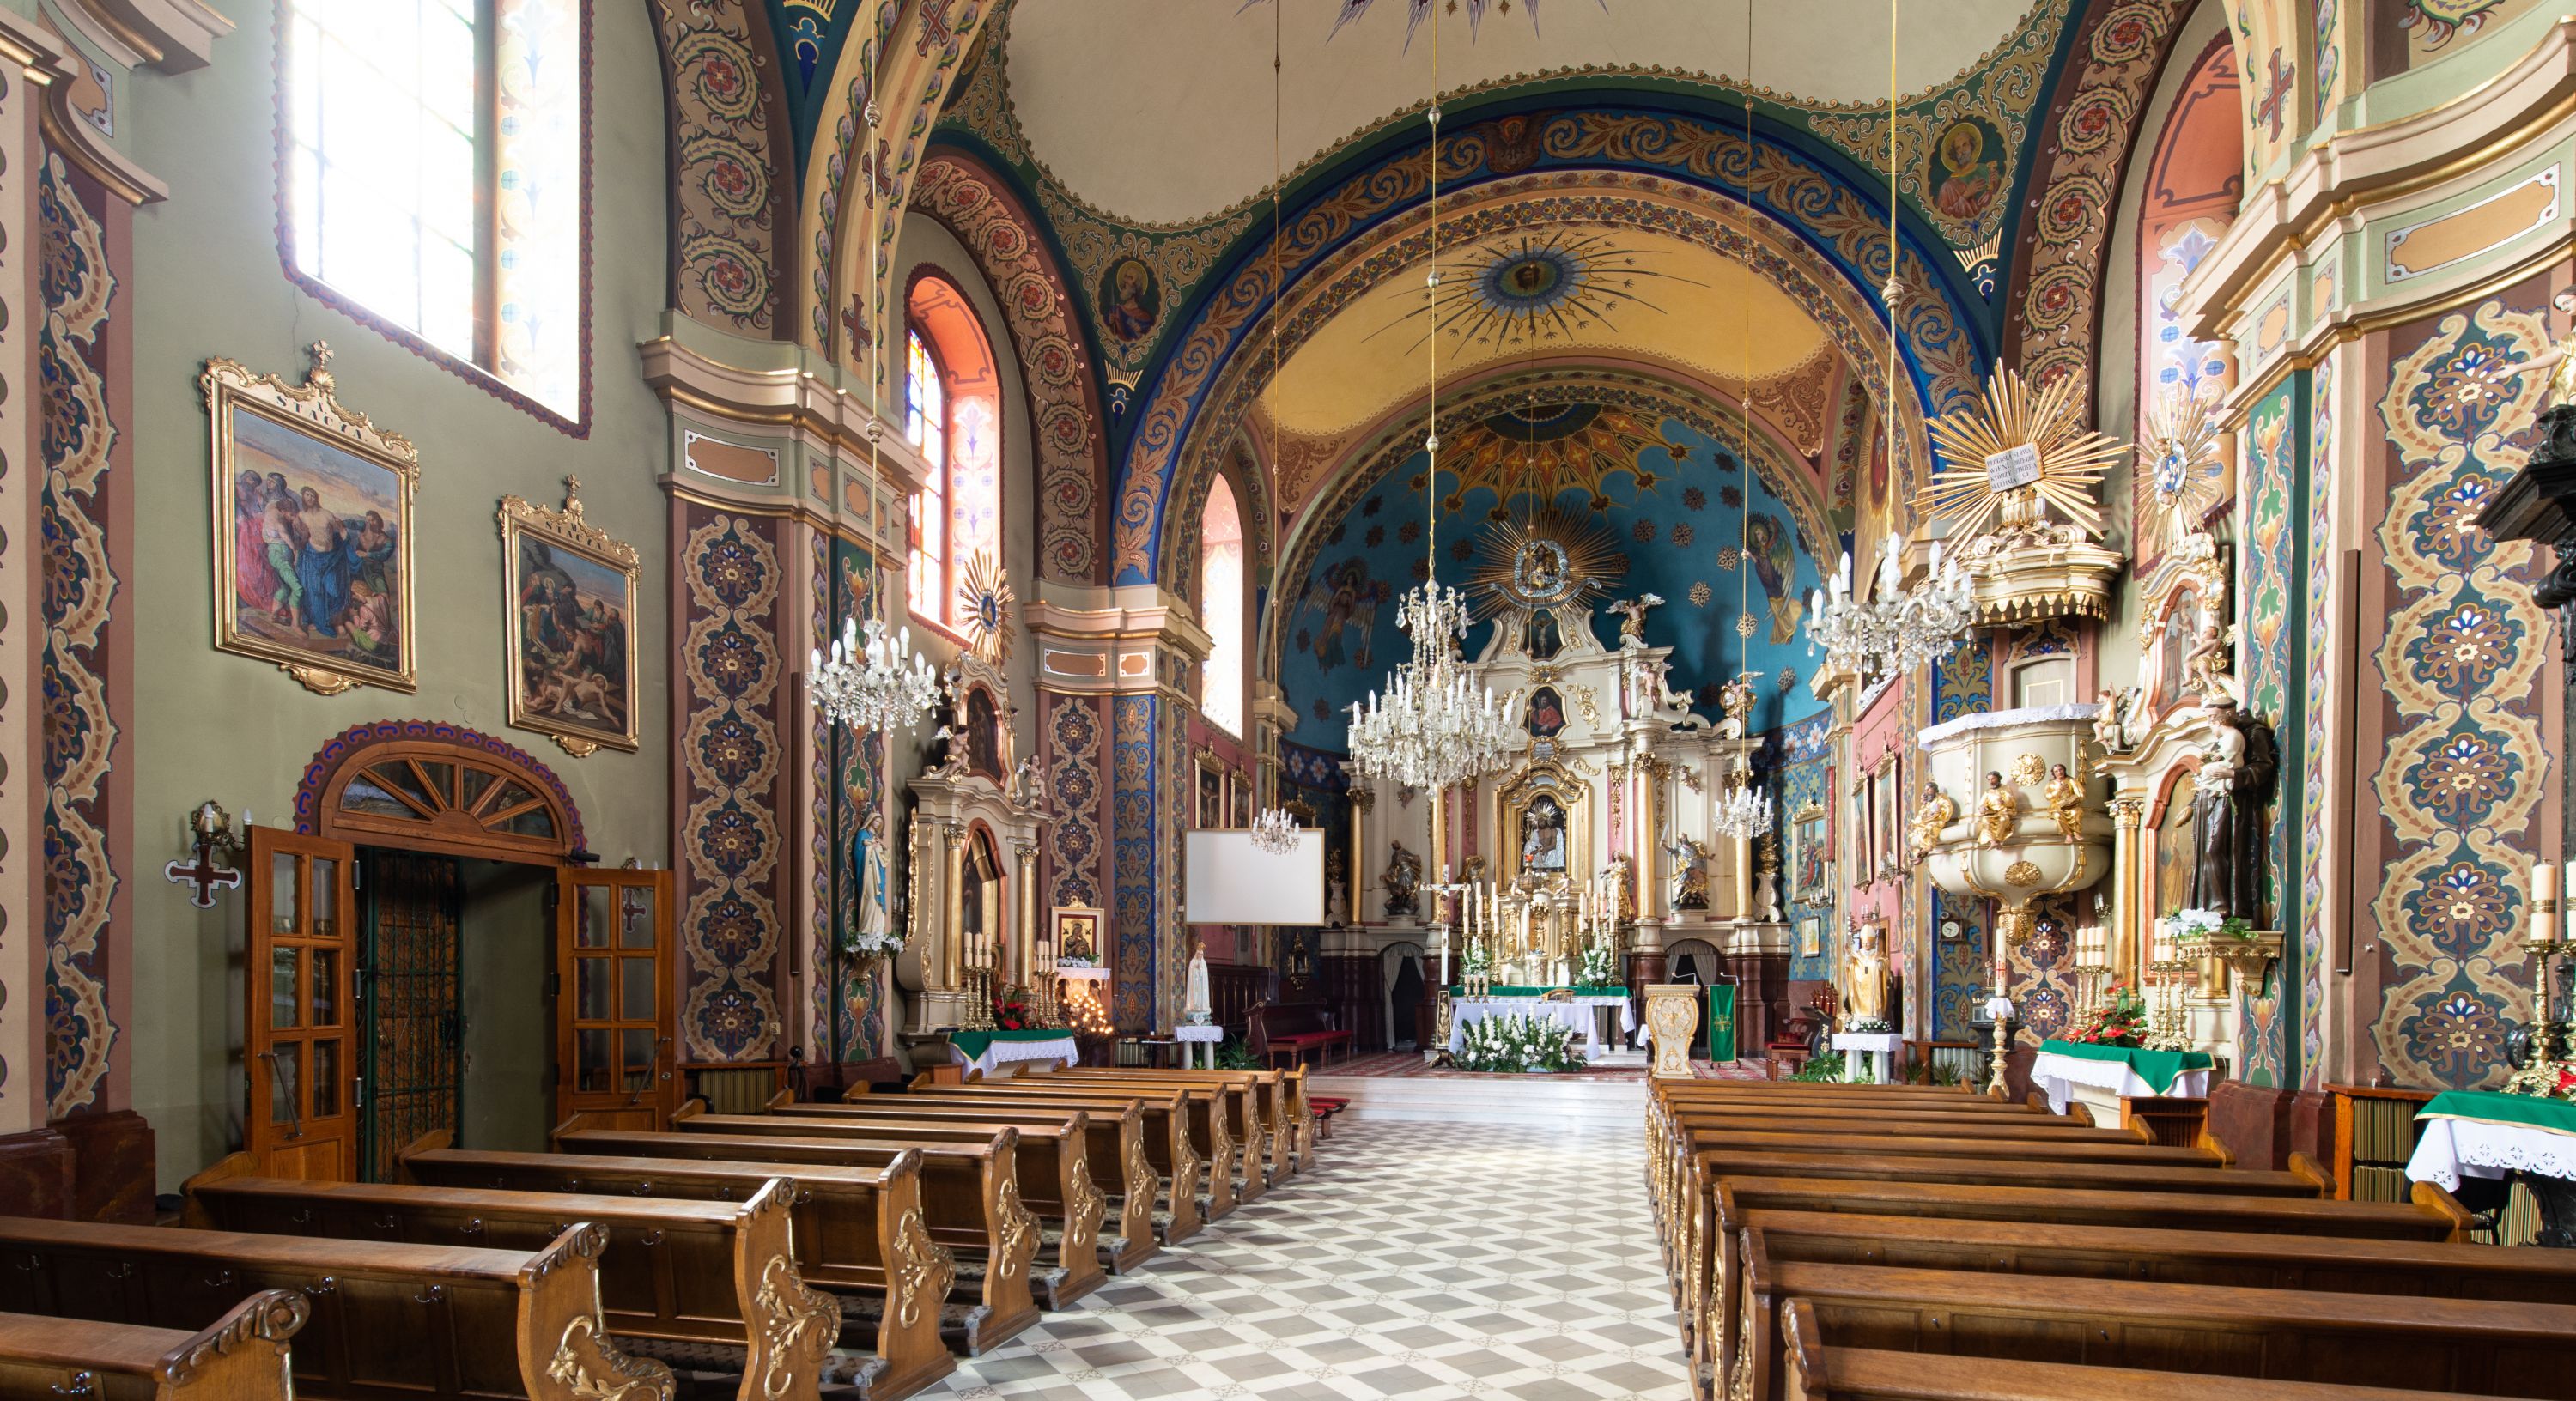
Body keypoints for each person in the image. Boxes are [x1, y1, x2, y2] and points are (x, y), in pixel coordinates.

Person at [1975, 770, 2019, 846]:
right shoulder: (1987, 792)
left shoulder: (2005, 788)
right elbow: (1982, 804)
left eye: (1993, 779)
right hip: (1992, 813)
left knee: (2004, 819)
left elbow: (2012, 802)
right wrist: (1982, 807)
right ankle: (1992, 841)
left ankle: (1997, 840)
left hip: (2003, 812)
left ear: (1998, 778)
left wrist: (2004, 802)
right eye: (1989, 780)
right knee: (1985, 820)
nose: (1991, 782)